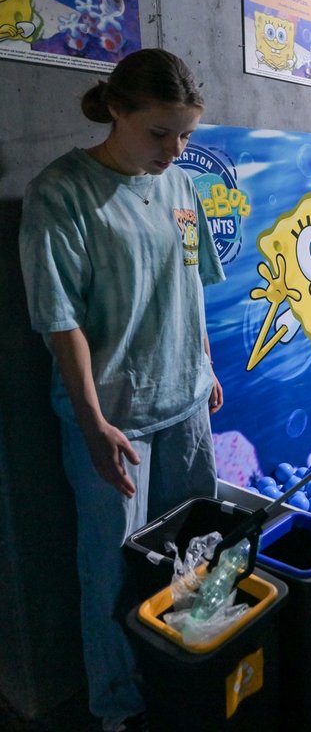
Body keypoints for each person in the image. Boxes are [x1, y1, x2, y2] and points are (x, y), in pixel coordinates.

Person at [19, 49, 224, 730]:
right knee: (110, 569)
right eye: (159, 132)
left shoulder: (181, 190)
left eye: (186, 134)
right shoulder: (63, 192)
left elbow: (188, 285)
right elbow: (61, 321)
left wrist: (206, 363)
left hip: (185, 401)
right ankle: (118, 706)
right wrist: (91, 422)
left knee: (198, 553)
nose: (175, 150)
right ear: (116, 110)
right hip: (115, 420)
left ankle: (190, 673)